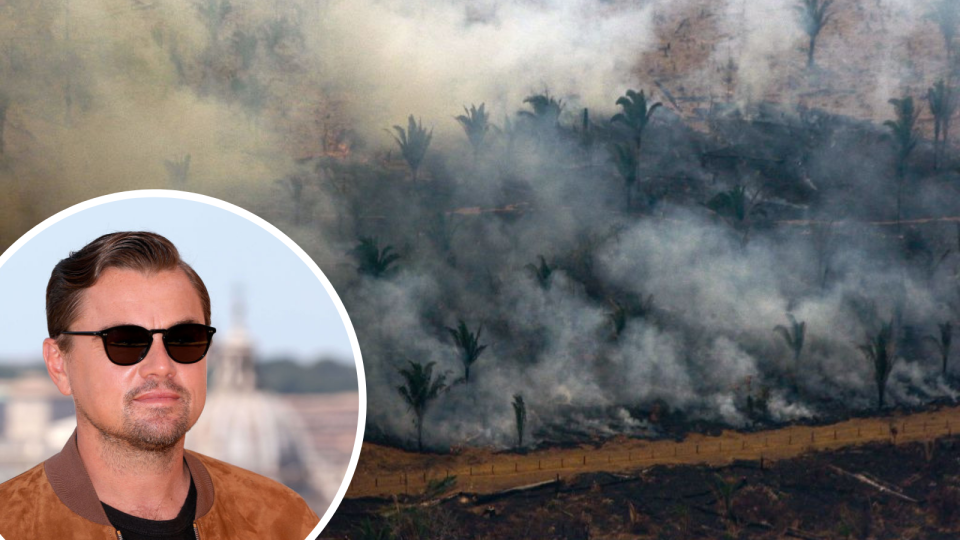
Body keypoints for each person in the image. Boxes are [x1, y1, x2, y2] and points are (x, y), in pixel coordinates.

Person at [0, 231, 319, 539]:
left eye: (184, 339)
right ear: (59, 365)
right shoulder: (11, 521)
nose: (162, 366)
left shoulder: (286, 520)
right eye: (124, 341)